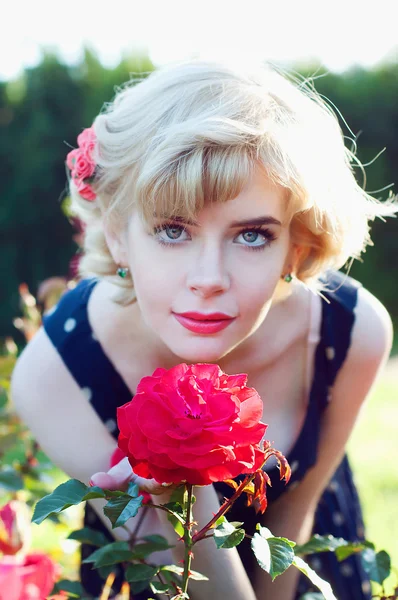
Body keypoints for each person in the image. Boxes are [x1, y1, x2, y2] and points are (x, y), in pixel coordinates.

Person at [10, 59, 395, 600]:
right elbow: (178, 583)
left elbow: (292, 527)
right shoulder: (57, 378)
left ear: (297, 246)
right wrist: (180, 502)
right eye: (172, 229)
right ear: (119, 234)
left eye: (253, 236)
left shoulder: (349, 333)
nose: (209, 279)